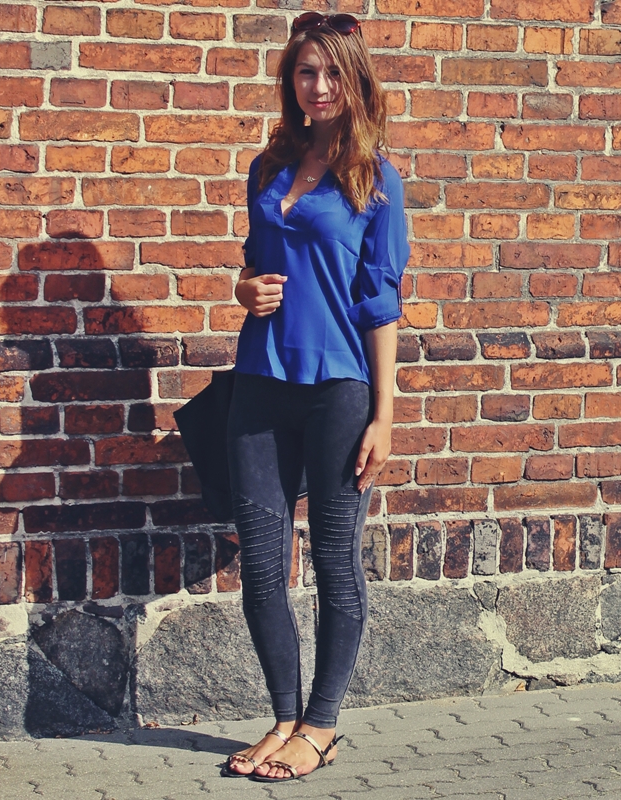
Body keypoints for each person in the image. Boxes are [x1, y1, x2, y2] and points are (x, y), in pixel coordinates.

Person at [223, 11, 410, 783]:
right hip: (259, 382)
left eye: (333, 72)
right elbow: (253, 262)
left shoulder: (375, 179)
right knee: (262, 565)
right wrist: (244, 288)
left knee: (335, 559)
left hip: (339, 389)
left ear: (355, 80)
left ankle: (321, 726)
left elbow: (382, 304)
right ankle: (282, 717)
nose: (319, 85)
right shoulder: (267, 167)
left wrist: (384, 416)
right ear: (290, 80)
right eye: (306, 71)